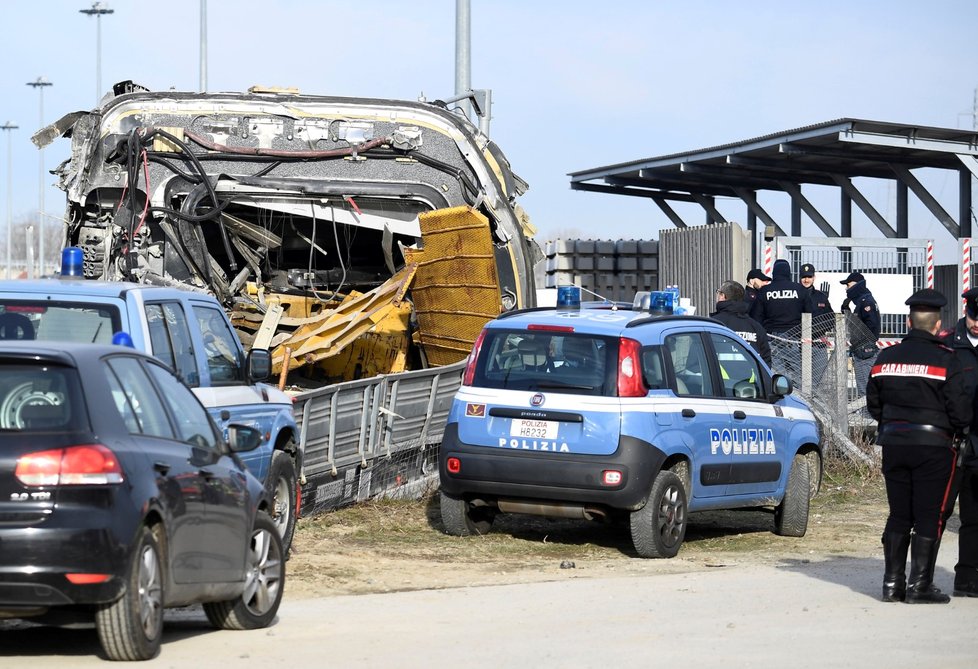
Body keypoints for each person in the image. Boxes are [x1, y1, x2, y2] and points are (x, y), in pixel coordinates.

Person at [867, 289, 971, 604]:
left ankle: (891, 584)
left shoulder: (886, 358)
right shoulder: (946, 360)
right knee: (930, 513)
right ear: (938, 325)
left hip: (895, 444)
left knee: (899, 513)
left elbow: (874, 405)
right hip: (934, 448)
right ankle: (919, 586)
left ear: (909, 322)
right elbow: (961, 412)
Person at [940, 287, 978, 597]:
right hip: (952, 444)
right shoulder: (948, 343)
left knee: (974, 517)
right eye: (973, 316)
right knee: (939, 513)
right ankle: (921, 577)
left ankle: (968, 578)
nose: (976, 324)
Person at [753, 259, 811, 380]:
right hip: (794, 336)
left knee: (776, 373)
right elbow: (809, 313)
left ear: (774, 272)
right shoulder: (800, 290)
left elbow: (756, 317)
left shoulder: (765, 291)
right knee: (796, 373)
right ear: (788, 272)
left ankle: (780, 396)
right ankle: (799, 396)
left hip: (771, 336)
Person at [711, 280, 772, 367]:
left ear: (723, 296)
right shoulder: (756, 327)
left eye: (718, 292)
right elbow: (766, 363)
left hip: (718, 380)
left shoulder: (713, 324)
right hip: (751, 380)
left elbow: (695, 364)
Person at [841, 271, 881, 398]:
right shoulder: (861, 301)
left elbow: (871, 327)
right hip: (861, 348)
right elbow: (858, 325)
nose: (847, 289)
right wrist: (847, 312)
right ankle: (867, 414)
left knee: (865, 389)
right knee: (863, 387)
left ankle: (867, 415)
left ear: (857, 285)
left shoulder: (866, 302)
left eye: (848, 285)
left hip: (865, 350)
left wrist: (862, 341)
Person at [800, 263, 834, 387]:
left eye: (809, 277)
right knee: (799, 381)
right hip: (799, 345)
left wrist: (817, 330)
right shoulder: (795, 294)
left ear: (814, 278)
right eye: (804, 277)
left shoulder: (821, 297)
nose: (806, 280)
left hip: (818, 344)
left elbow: (830, 318)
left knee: (816, 382)